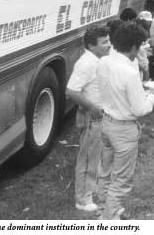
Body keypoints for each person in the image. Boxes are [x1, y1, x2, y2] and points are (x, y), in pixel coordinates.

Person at [97, 23, 154, 219]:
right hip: (124, 129)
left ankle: (104, 210)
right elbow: (140, 109)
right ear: (133, 47)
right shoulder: (130, 72)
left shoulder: (104, 61)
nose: (140, 50)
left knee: (105, 172)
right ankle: (109, 220)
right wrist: (151, 95)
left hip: (106, 122)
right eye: (140, 46)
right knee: (121, 179)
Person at [66, 26, 111, 212]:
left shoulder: (97, 60)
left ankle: (91, 191)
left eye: (108, 40)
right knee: (87, 158)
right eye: (105, 42)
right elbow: (71, 90)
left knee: (95, 157)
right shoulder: (86, 64)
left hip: (98, 116)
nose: (109, 45)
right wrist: (92, 107)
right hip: (91, 117)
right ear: (92, 46)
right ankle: (82, 199)